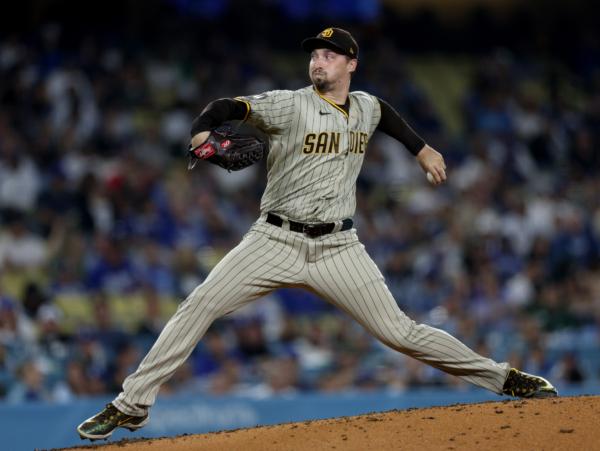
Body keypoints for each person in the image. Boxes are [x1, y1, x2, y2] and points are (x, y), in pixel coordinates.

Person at [77, 27, 557, 441]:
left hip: (337, 247)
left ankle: (504, 379)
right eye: (313, 54)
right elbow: (226, 105)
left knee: (402, 333)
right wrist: (202, 133)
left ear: (351, 64)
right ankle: (132, 404)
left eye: (328, 55)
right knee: (198, 305)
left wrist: (421, 148)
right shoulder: (289, 105)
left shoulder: (365, 107)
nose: (318, 61)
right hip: (274, 240)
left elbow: (384, 114)